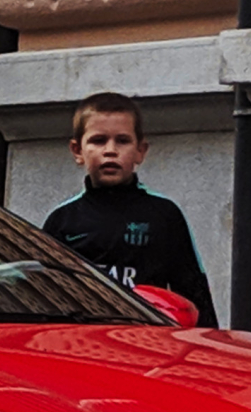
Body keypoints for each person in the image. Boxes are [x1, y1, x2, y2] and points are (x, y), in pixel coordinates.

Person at [43, 92, 219, 325]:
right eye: (98, 140)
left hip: (149, 341)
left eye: (122, 141)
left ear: (140, 151)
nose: (110, 150)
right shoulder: (62, 220)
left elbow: (193, 291)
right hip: (83, 342)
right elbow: (45, 293)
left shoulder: (164, 215)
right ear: (77, 151)